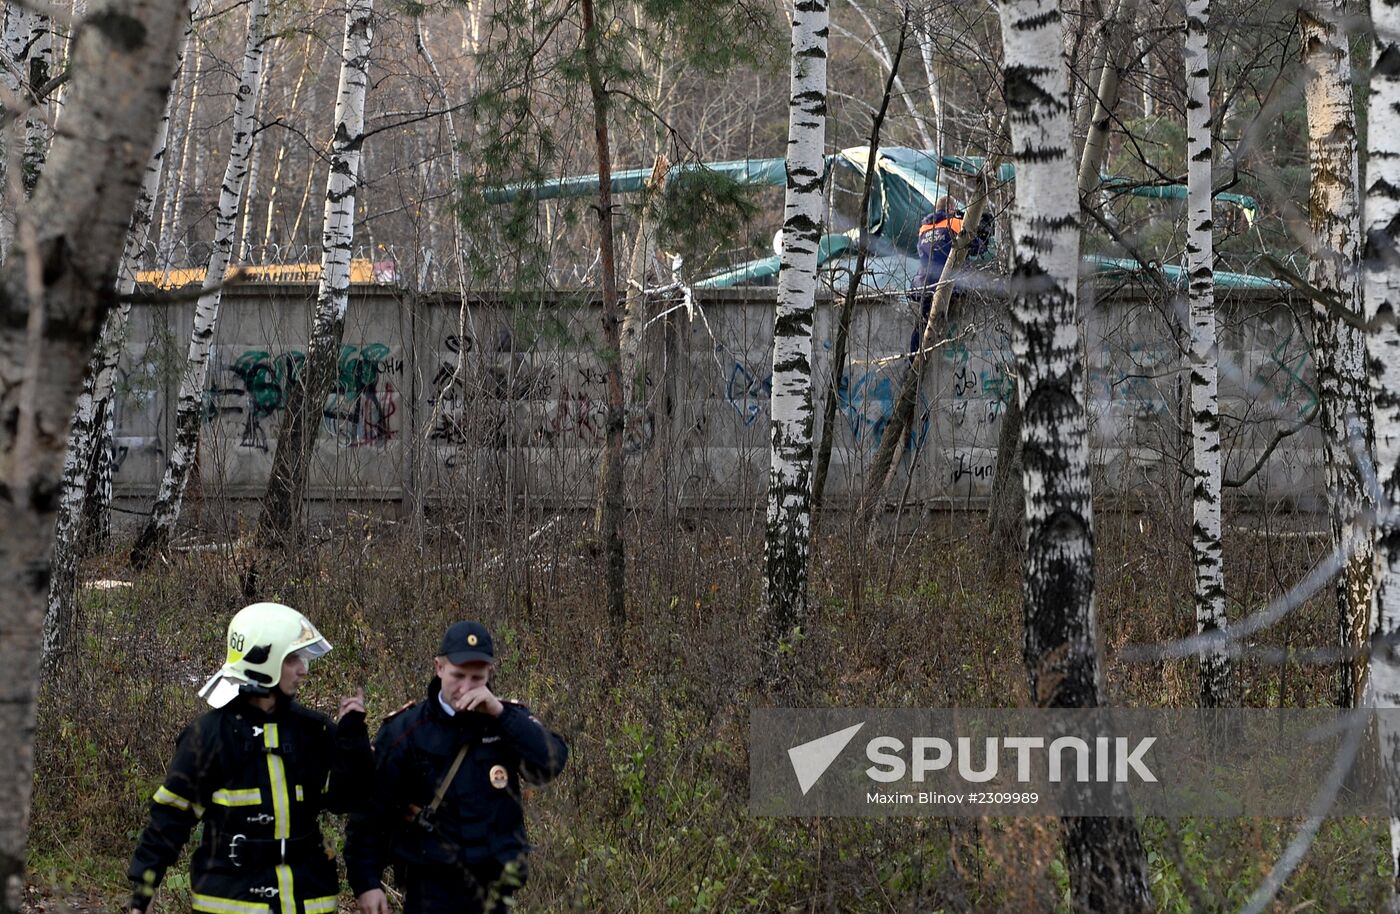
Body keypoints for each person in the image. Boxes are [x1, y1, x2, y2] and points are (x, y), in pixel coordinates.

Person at [128, 602, 372, 914]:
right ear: (262, 660)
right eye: (293, 658)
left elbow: (347, 800)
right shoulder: (209, 736)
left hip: (308, 899)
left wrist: (352, 739)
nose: (304, 669)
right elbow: (170, 820)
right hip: (231, 900)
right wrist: (143, 894)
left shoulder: (314, 730)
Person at [345, 621, 568, 914]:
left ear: (491, 672)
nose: (465, 687)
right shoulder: (407, 730)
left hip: (494, 890)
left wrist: (501, 714)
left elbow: (548, 764)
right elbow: (370, 811)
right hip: (431, 889)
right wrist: (366, 883)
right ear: (439, 668)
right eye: (458, 675)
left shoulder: (508, 722)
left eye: (477, 677)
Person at [909, 196, 996, 355]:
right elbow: (977, 248)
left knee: (922, 323)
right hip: (951, 284)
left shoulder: (924, 229)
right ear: (950, 209)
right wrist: (984, 234)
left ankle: (913, 360)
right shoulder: (955, 224)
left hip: (925, 283)